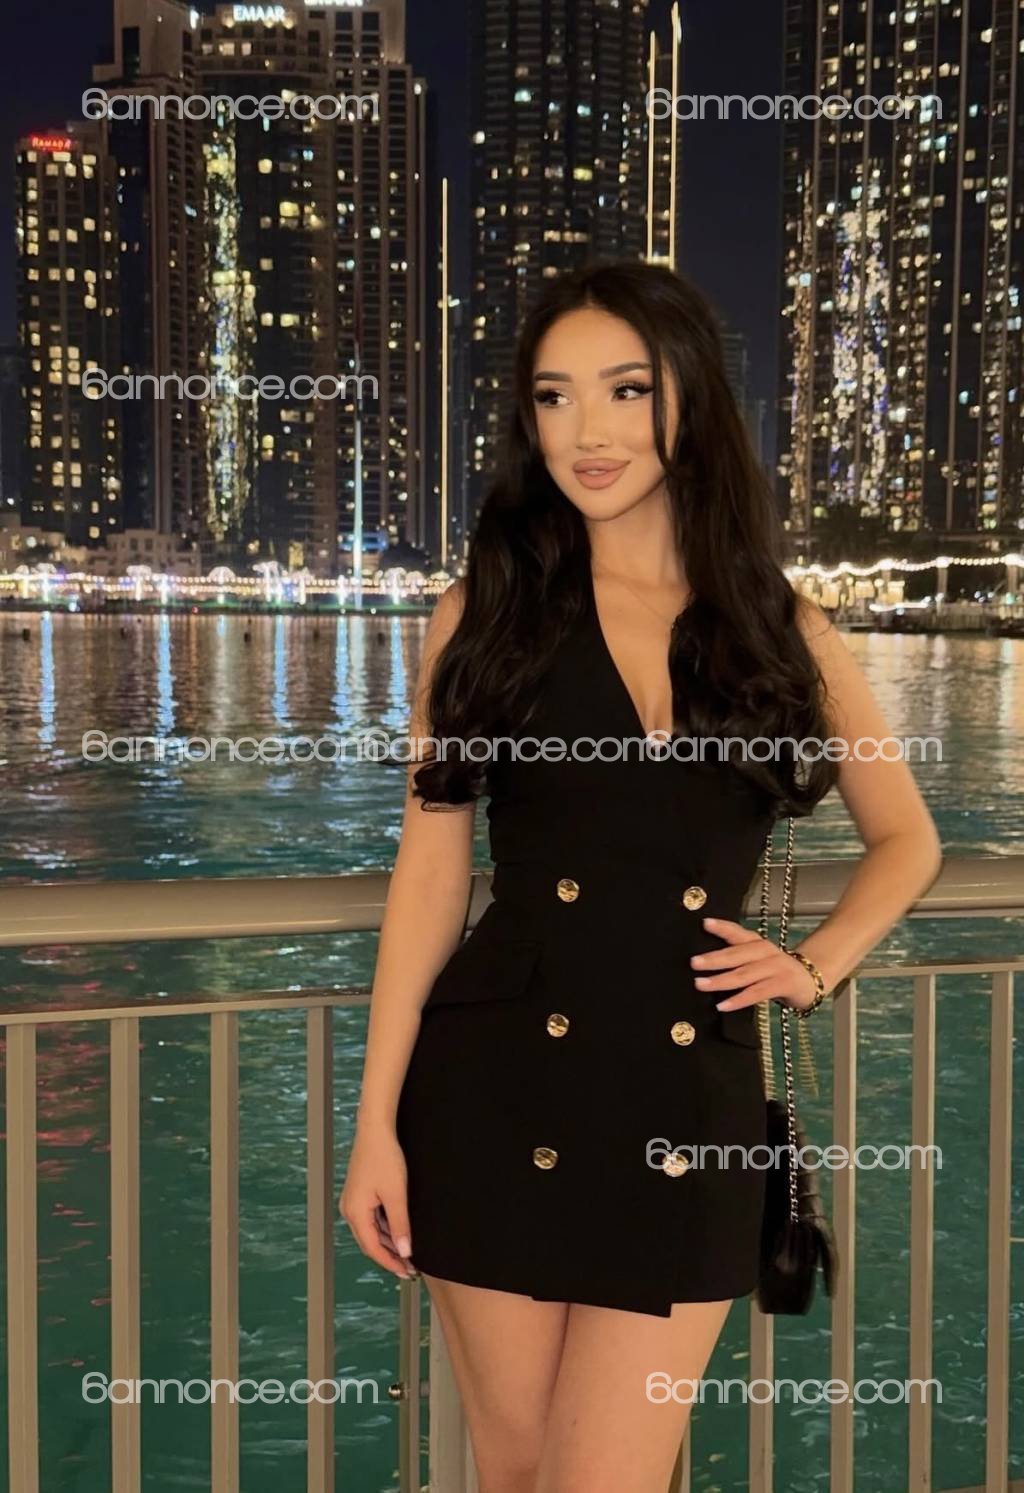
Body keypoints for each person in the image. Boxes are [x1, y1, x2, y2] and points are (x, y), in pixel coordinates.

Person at [340, 260, 942, 1493]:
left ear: (690, 399)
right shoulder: (484, 611)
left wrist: (813, 964)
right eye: (552, 395)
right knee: (516, 1472)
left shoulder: (781, 626)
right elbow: (431, 874)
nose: (588, 431)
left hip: (690, 1103)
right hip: (492, 1090)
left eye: (625, 389)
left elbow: (907, 838)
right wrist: (374, 1126)